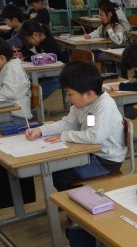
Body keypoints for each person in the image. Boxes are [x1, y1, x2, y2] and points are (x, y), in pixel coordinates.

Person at [24, 61, 125, 190]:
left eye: (70, 94)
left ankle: (78, 199)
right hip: (90, 151)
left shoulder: (105, 105)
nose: (68, 99)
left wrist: (64, 136)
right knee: (57, 165)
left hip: (106, 160)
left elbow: (95, 137)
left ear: (88, 94)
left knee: (60, 175)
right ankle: (78, 196)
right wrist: (41, 130)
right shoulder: (83, 104)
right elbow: (67, 124)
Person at [19, 20, 68, 100]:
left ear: (35, 35)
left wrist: (25, 58)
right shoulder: (41, 43)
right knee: (30, 79)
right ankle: (30, 99)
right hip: (51, 71)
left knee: (51, 80)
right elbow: (37, 54)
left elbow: (43, 58)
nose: (29, 42)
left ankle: (34, 100)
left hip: (62, 73)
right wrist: (23, 54)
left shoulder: (49, 43)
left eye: (28, 40)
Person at [0, 39, 31, 124]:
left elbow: (10, 92)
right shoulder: (6, 66)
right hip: (8, 112)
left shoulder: (11, 68)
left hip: (15, 117)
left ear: (2, 58)